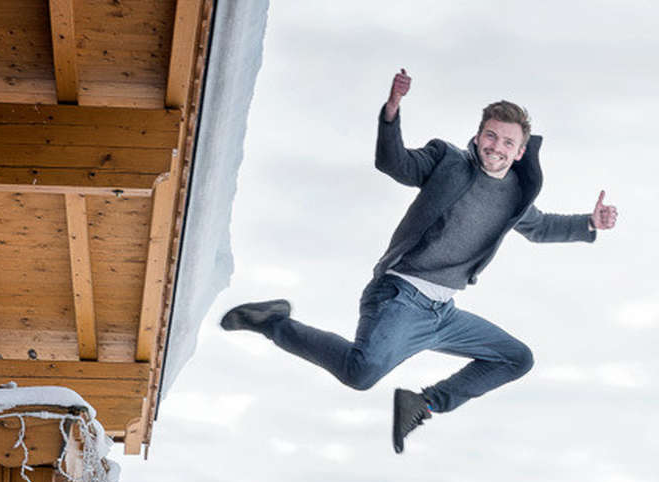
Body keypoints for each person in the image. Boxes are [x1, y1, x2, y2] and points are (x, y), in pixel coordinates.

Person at [221, 67, 618, 452]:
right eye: (491, 136)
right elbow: (396, 164)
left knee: (516, 358)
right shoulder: (447, 161)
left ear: (519, 153)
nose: (496, 147)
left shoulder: (515, 195)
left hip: (442, 313)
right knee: (360, 374)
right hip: (400, 295)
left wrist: (590, 222)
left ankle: (424, 404)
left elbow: (540, 227)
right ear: (479, 135)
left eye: (507, 143)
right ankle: (274, 322)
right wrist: (392, 111)